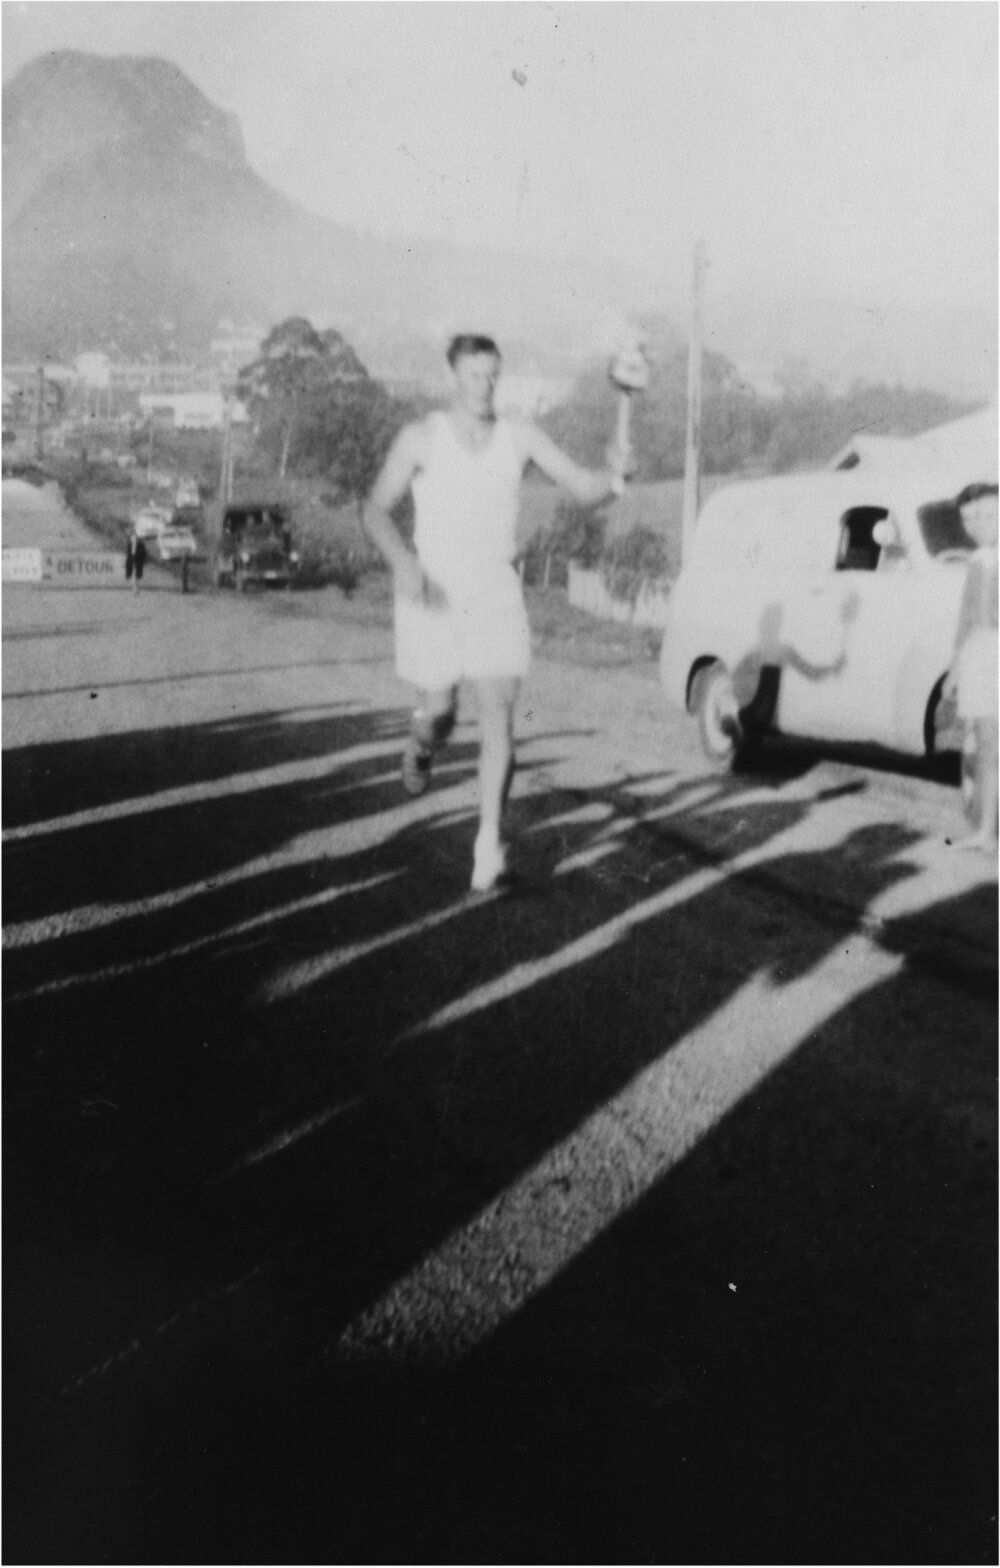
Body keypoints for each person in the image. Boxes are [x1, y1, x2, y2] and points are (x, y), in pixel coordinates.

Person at [364, 332, 632, 892]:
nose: (485, 386)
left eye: (492, 375)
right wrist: (402, 565)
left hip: (494, 592)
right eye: (474, 376)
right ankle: (421, 745)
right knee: (439, 713)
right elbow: (374, 510)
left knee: (499, 721)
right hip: (433, 589)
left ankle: (489, 844)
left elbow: (583, 487)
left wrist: (613, 475)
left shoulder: (520, 436)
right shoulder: (422, 438)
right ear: (454, 377)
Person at [948, 482, 998, 853]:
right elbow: (965, 618)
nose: (978, 524)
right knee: (986, 745)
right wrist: (954, 669)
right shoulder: (978, 560)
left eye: (987, 514)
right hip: (979, 655)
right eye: (969, 518)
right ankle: (987, 831)